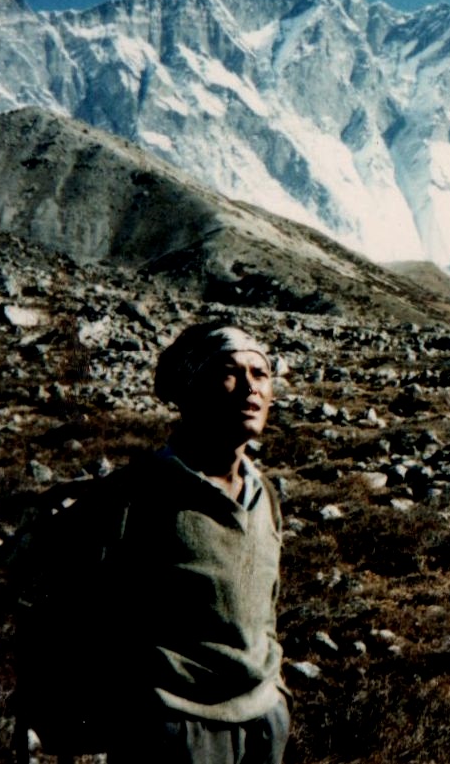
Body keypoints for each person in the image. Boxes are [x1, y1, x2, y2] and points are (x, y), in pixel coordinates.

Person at [14, 323, 291, 763]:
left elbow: (265, 609)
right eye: (228, 371)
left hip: (262, 722)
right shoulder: (133, 495)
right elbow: (64, 610)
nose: (249, 388)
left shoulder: (265, 497)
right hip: (174, 728)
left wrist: (276, 695)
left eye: (260, 373)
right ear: (189, 390)